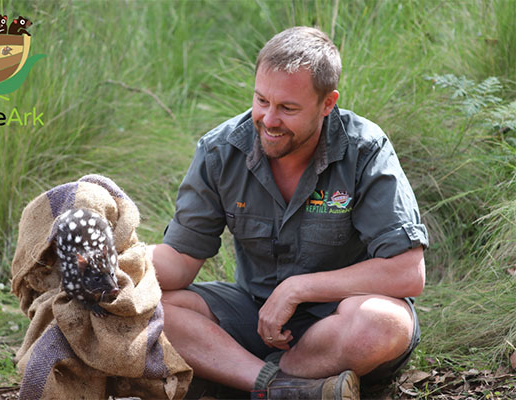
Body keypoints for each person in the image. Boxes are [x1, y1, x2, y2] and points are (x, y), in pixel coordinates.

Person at [149, 26, 428, 400]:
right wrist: (116, 261)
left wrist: (298, 289)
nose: (268, 119)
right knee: (151, 309)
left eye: (287, 108)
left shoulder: (365, 150)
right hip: (251, 317)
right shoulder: (220, 151)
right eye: (261, 100)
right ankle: (279, 387)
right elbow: (180, 260)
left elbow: (407, 272)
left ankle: (241, 375)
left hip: (337, 324)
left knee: (384, 323)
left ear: (328, 104)